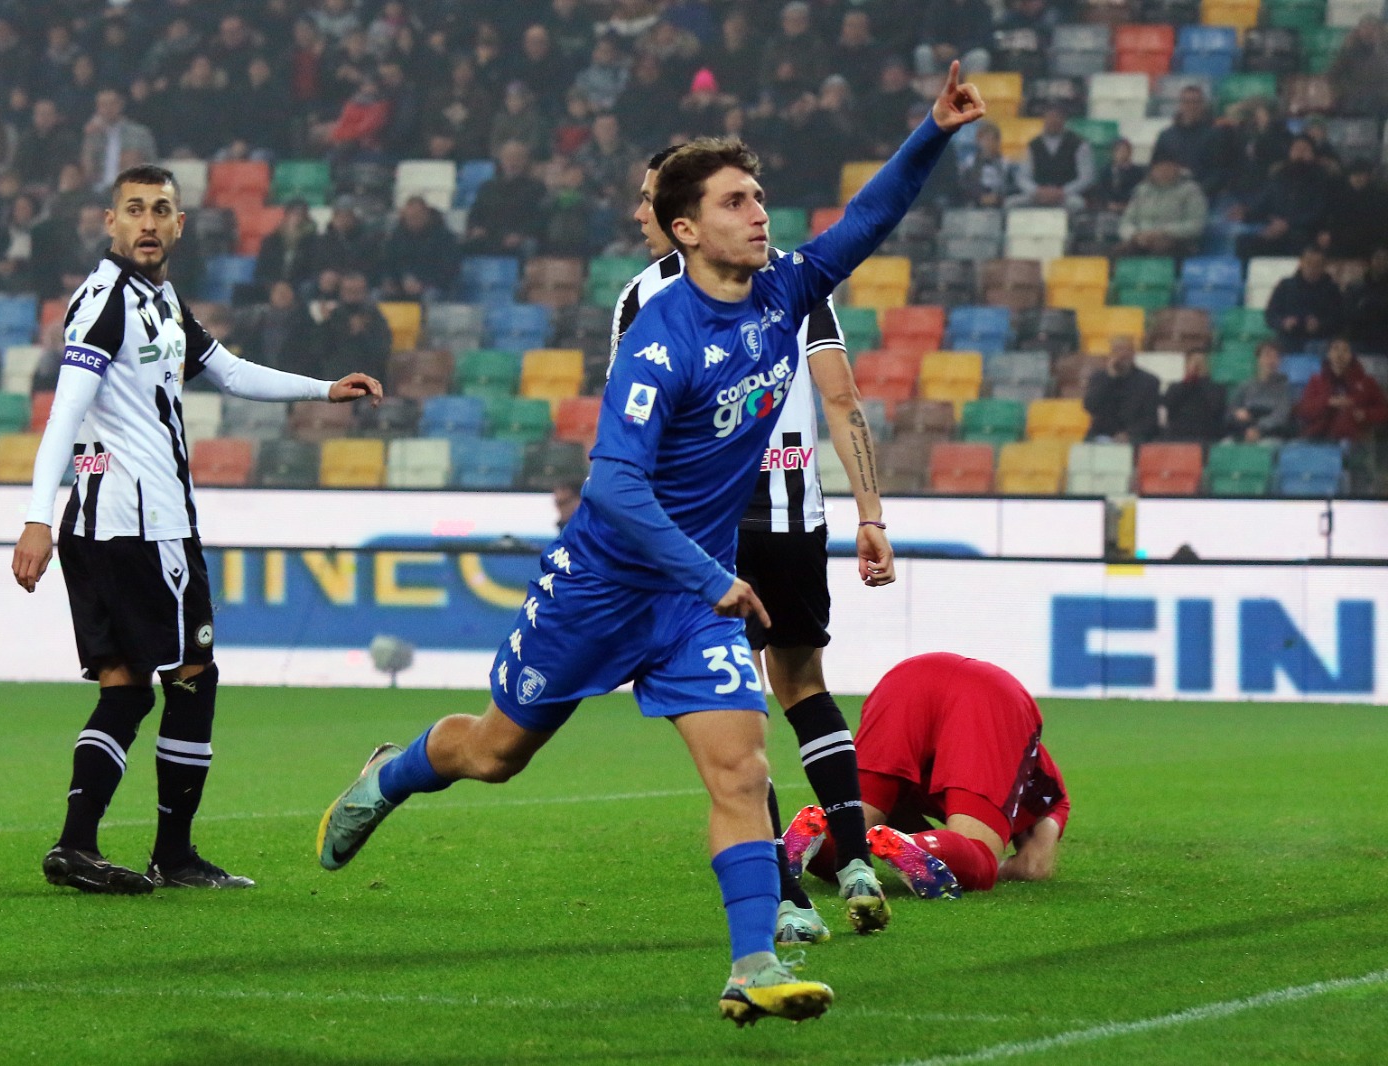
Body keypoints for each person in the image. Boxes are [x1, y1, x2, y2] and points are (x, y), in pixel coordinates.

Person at [315, 62, 984, 1027]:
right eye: (735, 203)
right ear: (685, 230)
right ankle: (393, 771)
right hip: (602, 586)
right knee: (497, 755)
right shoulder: (661, 340)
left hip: (691, 603)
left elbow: (866, 224)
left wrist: (933, 132)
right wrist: (713, 572)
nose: (761, 215)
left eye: (758, 198)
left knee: (742, 769)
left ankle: (752, 962)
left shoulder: (782, 292)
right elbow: (613, 485)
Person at [11, 164, 383, 896]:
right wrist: (32, 517)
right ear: (109, 223)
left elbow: (232, 372)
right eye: (134, 210)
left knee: (126, 689)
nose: (148, 223)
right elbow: (64, 411)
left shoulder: (161, 301)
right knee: (191, 678)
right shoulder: (107, 302)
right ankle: (170, 855)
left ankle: (77, 847)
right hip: (140, 527)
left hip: (114, 525)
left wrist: (323, 389)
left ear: (180, 225)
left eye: (161, 210)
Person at [611, 146, 896, 945]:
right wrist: (871, 511)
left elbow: (632, 432)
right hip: (796, 515)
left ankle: (784, 896)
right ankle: (855, 861)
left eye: (645, 198)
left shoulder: (644, 297)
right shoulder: (795, 283)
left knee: (738, 709)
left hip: (709, 534)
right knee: (804, 683)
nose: (637, 214)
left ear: (680, 213)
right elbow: (841, 397)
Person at [805, 652, 1069, 897]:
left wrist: (910, 841)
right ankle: (925, 847)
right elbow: (1033, 867)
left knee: (849, 837)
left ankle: (808, 836)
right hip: (990, 697)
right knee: (980, 855)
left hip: (906, 679)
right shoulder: (1052, 797)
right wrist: (950, 852)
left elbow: (886, 822)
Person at [1295, 337, 1388, 444]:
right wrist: (1327, 402)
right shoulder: (1316, 380)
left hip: (1354, 438)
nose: (1340, 354)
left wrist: (1365, 414)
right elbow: (1303, 410)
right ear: (1328, 354)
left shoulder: (1367, 382)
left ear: (1351, 355)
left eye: (1345, 350)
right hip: (1320, 436)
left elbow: (1384, 410)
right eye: (1335, 349)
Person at [1114, 156, 1207, 257]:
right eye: (1159, 168)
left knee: (1160, 249)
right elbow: (1126, 222)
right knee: (1117, 252)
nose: (1163, 172)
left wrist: (1163, 232)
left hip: (1176, 241)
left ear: (1177, 168)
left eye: (1168, 168)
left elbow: (1196, 225)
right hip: (1141, 239)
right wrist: (1135, 235)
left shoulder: (1191, 190)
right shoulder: (1142, 190)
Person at [1009, 104, 1092, 211]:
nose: (1053, 121)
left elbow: (1086, 177)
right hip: (1038, 196)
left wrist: (1062, 192)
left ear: (1063, 120)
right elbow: (1022, 177)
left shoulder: (1079, 145)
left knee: (1077, 204)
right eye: (1049, 117)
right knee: (1011, 204)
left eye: (1057, 117)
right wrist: (1037, 191)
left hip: (1066, 197)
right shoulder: (1033, 145)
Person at [1265, 246, 1344, 353]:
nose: (1312, 267)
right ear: (1301, 263)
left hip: (1320, 340)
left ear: (1324, 266)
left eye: (1317, 264)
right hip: (1287, 339)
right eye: (1309, 263)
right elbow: (1270, 314)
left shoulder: (1331, 289)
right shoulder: (1285, 286)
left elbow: (1339, 318)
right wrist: (1283, 323)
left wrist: (1320, 325)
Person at [1084, 336, 1160, 444]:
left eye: (1127, 350)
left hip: (1134, 436)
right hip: (1102, 434)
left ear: (1133, 353)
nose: (1122, 354)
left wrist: (1128, 434)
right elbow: (1090, 406)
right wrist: (1109, 379)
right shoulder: (1099, 378)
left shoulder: (1149, 381)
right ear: (1111, 354)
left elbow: (1150, 419)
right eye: (1117, 350)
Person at [1226, 341, 1293, 443]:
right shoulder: (1245, 386)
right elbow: (1231, 410)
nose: (1271, 360)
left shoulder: (1284, 388)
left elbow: (1280, 415)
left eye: (1276, 357)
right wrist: (1237, 413)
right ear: (1258, 359)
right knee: (1226, 445)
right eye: (1267, 355)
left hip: (1271, 434)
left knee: (1266, 445)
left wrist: (1258, 428)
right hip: (1244, 431)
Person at [1162, 350, 1226, 444]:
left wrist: (1202, 379)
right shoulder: (1175, 387)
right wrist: (1189, 380)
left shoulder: (1217, 388)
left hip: (1206, 437)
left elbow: (1215, 406)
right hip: (1178, 437)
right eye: (1192, 362)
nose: (1197, 366)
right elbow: (1169, 404)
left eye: (1200, 363)